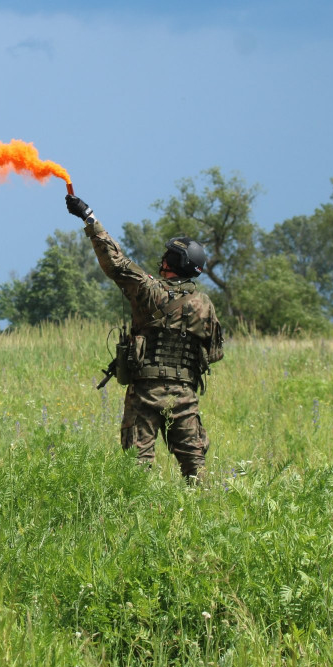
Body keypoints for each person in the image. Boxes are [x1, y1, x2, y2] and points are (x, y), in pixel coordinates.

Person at [65, 193, 223, 482]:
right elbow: (214, 353)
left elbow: (117, 263)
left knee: (136, 472)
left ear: (172, 262)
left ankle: (138, 516)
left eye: (167, 256)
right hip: (184, 397)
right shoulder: (204, 304)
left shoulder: (149, 291)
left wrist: (89, 217)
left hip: (145, 396)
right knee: (195, 471)